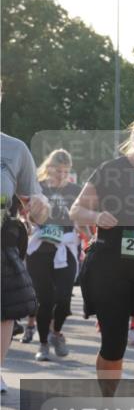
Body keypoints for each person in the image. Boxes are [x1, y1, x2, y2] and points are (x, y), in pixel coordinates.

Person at [71, 111, 134, 397]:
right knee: (113, 344)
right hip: (111, 267)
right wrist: (96, 215)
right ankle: (107, 401)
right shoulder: (111, 169)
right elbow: (76, 210)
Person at [1, 132, 49, 393]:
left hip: (2, 244)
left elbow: (38, 209)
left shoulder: (14, 149)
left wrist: (40, 206)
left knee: (4, 312)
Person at [26, 149, 81, 361]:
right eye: (58, 170)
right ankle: (43, 344)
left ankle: (56, 333)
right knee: (45, 300)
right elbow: (29, 216)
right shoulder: (38, 188)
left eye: (66, 171)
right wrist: (34, 213)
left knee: (64, 297)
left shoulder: (75, 190)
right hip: (41, 249)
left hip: (65, 248)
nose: (62, 175)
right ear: (49, 168)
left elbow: (84, 213)